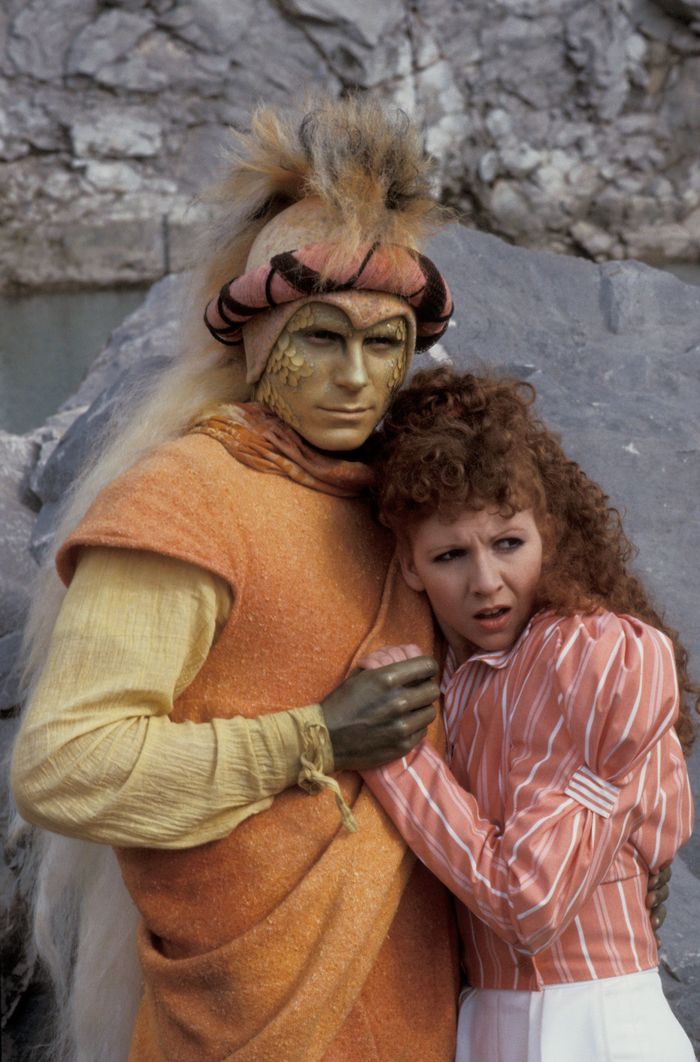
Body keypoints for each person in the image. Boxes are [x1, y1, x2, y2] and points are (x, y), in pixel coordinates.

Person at [10, 97, 460, 1061]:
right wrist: (314, 737)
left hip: (414, 1004)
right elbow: (64, 767)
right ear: (251, 338)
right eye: (322, 336)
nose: (355, 377)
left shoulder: (406, 502)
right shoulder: (187, 497)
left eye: (384, 343)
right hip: (246, 1019)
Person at [357, 367, 697, 1061]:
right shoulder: (455, 676)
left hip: (594, 1023)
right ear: (410, 565)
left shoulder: (599, 655)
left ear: (549, 533)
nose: (486, 583)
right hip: (484, 1023)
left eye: (508, 543)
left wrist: (394, 750)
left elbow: (528, 903)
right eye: (450, 555)